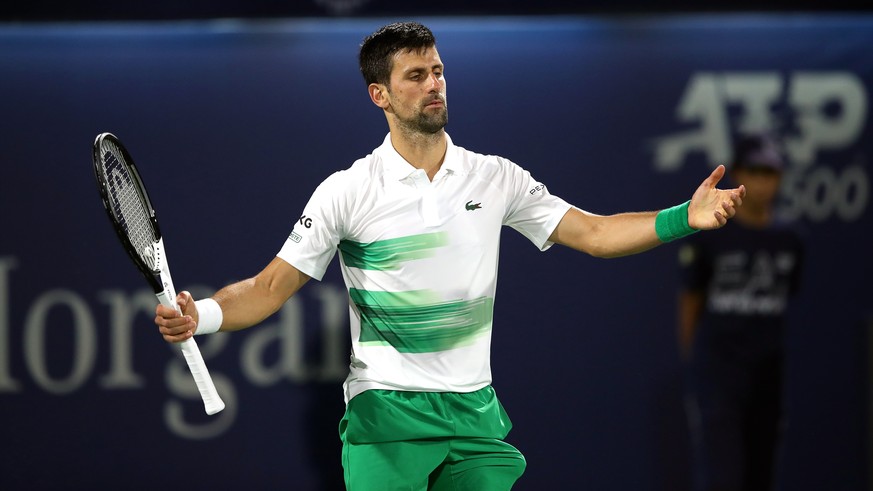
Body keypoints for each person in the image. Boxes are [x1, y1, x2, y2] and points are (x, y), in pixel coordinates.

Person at [155, 22, 745, 490]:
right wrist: (200, 315)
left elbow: (592, 233)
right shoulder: (347, 191)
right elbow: (268, 288)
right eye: (416, 75)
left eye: (438, 71)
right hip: (386, 415)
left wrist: (682, 219)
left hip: (475, 416)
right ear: (379, 94)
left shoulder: (495, 178)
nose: (434, 84)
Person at [677, 133, 804, 491]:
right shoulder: (711, 235)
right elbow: (690, 301)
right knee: (722, 474)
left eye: (770, 171)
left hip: (768, 371)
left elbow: (789, 293)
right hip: (719, 371)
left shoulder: (791, 238)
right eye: (755, 170)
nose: (762, 181)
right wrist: (695, 365)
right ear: (736, 173)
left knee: (762, 471)